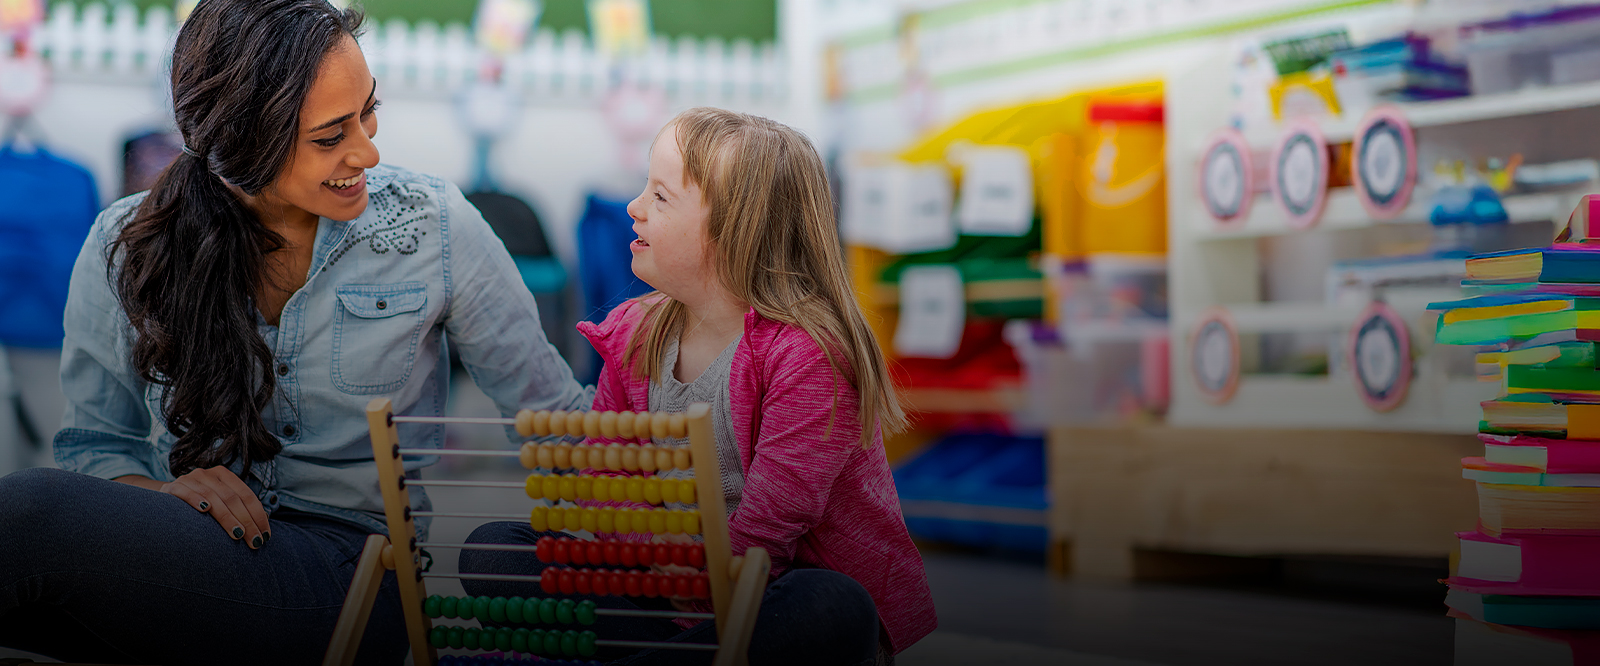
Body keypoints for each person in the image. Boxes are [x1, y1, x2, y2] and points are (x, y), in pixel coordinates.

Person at [0, 1, 588, 664]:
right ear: (242, 144)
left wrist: (703, 428)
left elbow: (554, 419)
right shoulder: (125, 244)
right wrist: (160, 495)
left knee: (29, 517)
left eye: (369, 110)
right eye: (330, 136)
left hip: (356, 579)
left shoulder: (435, 227)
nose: (367, 149)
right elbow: (97, 446)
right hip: (191, 559)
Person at [459, 108, 938, 665]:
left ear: (735, 232)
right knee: (492, 552)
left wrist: (669, 572)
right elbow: (601, 483)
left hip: (769, 596)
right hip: (662, 595)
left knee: (833, 603)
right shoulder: (635, 333)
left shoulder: (808, 357)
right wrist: (655, 553)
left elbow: (765, 537)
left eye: (660, 198)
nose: (634, 208)